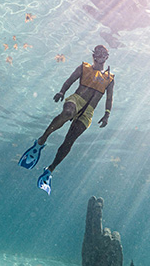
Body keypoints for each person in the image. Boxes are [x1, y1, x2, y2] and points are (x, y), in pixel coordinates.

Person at [18, 45, 115, 194]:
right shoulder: (84, 68)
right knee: (68, 112)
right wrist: (62, 92)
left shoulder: (109, 79)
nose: (101, 56)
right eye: (98, 52)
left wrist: (107, 114)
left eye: (103, 53)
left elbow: (109, 98)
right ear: (94, 55)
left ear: (107, 56)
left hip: (89, 112)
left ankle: (49, 171)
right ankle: (40, 142)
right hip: (76, 99)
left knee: (70, 141)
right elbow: (70, 80)